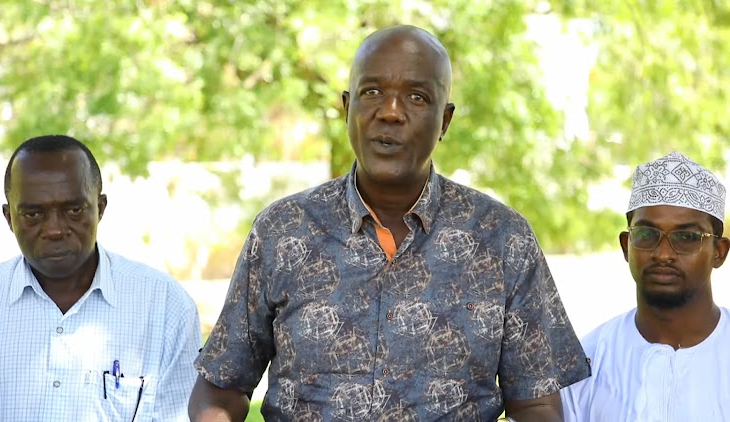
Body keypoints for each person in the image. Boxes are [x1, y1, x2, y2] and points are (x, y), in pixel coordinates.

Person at [189, 25, 589, 422]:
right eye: (372, 92)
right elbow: (222, 387)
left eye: (416, 97)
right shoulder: (282, 230)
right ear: (347, 108)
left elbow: (536, 404)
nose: (391, 112)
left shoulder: (503, 240)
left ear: (444, 121)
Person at [0, 135, 202, 421]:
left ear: (100, 208)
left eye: (74, 210)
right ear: (9, 218)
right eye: (33, 214)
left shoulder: (164, 306)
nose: (55, 230)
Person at [561, 151, 730, 420]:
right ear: (626, 246)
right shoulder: (586, 362)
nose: (663, 254)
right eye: (646, 234)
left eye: (687, 237)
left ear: (719, 252)